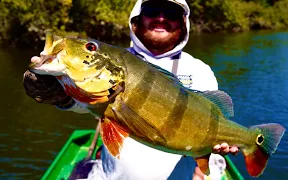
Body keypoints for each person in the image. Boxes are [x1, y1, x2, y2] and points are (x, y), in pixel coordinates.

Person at [23, 0, 238, 179]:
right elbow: (84, 103)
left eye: (171, 12)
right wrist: (58, 94)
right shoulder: (116, 59)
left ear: (183, 23)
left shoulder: (200, 71)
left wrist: (207, 164)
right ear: (136, 20)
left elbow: (212, 125)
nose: (161, 18)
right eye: (152, 10)